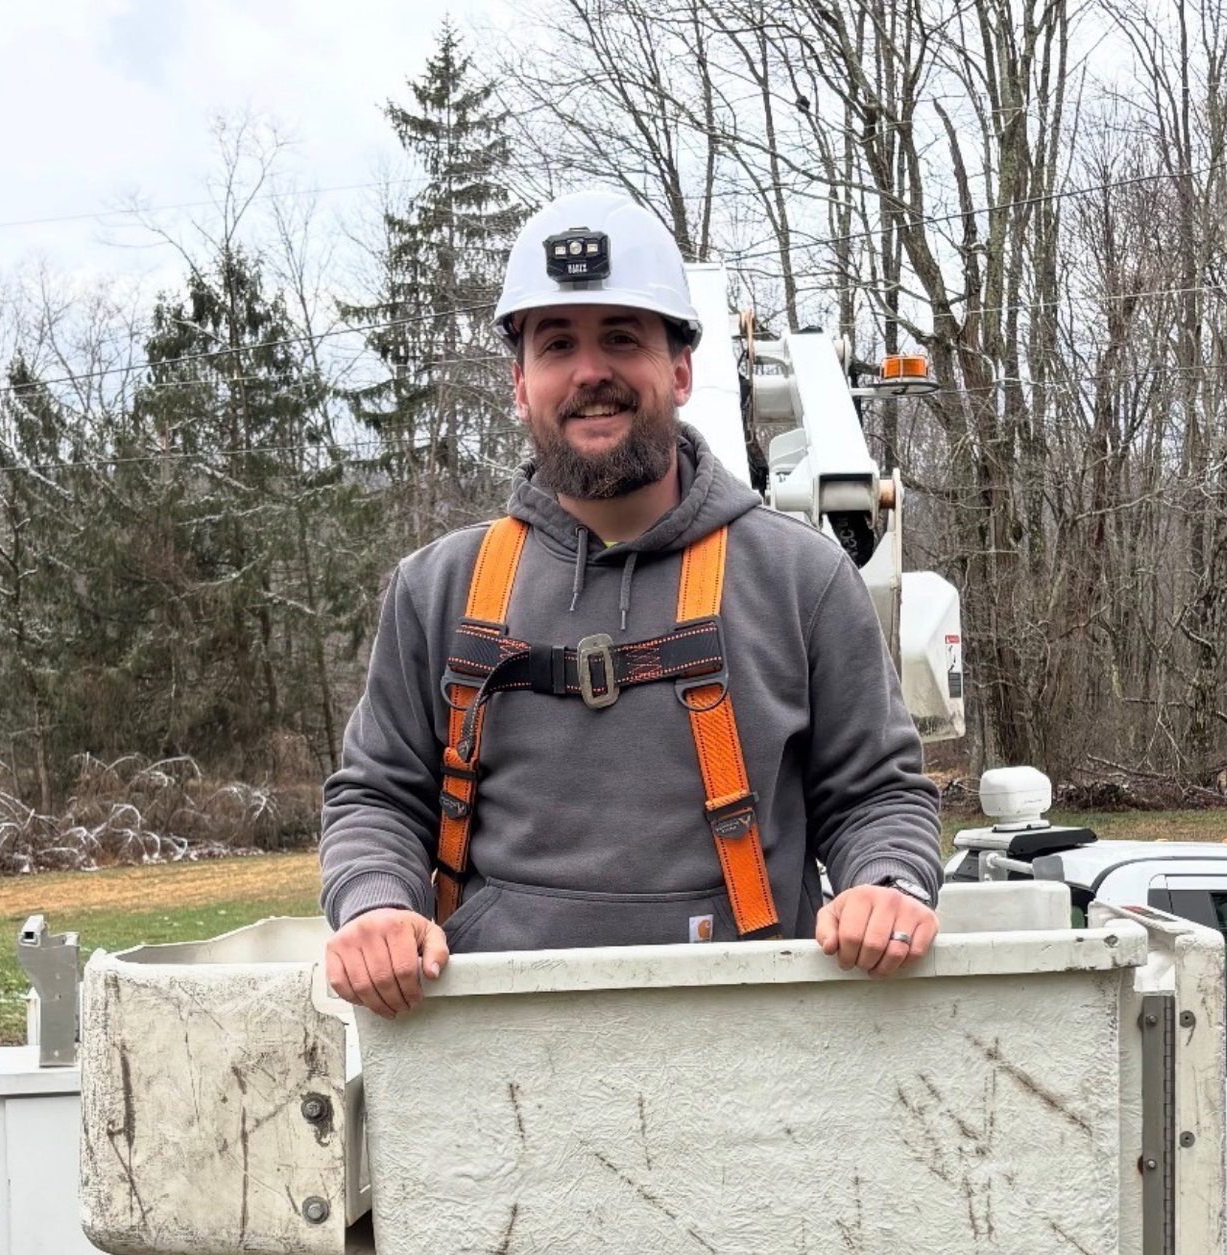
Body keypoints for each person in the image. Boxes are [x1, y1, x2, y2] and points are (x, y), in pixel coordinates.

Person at [320, 189, 942, 1018]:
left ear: (681, 370)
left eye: (622, 337)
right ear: (520, 383)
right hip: (488, 1049)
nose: (591, 373)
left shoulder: (803, 579)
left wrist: (887, 885)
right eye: (558, 345)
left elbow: (877, 795)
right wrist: (375, 904)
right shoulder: (438, 590)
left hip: (751, 1043)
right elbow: (377, 797)